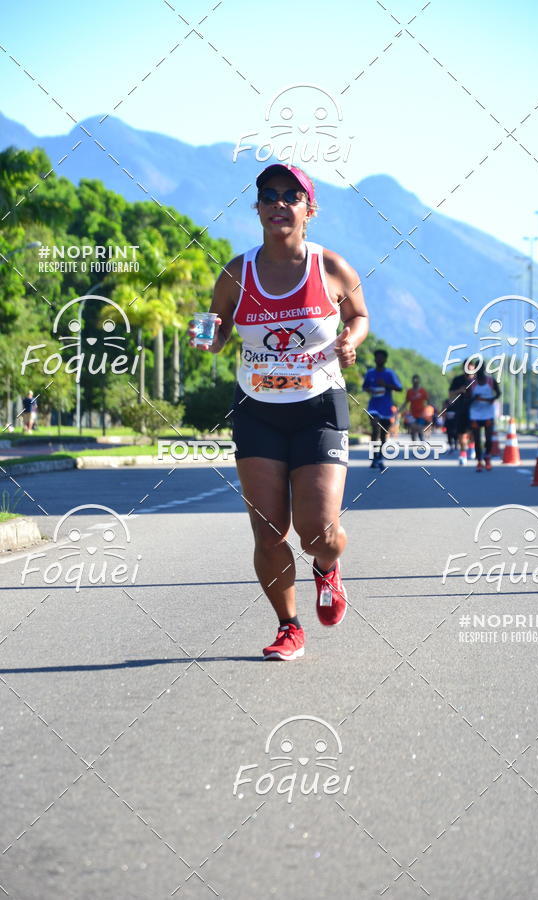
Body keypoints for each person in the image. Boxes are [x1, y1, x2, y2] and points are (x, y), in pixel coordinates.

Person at [189, 163, 369, 661]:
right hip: (257, 410)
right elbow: (219, 328)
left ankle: (327, 568)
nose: (278, 204)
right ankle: (289, 627)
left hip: (319, 409)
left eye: (291, 196)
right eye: (268, 195)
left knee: (319, 533)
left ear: (309, 209)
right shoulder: (235, 272)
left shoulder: (330, 267)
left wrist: (350, 340)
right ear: (258, 209)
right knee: (269, 532)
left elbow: (357, 314)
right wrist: (210, 338)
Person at [362, 349, 403, 469]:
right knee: (375, 428)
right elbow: (365, 387)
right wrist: (370, 389)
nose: (379, 359)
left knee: (384, 434)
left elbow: (399, 388)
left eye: (381, 357)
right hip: (373, 406)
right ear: (374, 359)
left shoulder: (389, 374)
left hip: (386, 408)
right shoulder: (370, 373)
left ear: (385, 360)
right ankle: (374, 456)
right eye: (377, 357)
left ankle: (380, 456)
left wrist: (385, 385)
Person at [469, 369, 501, 471]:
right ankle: (479, 461)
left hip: (488, 413)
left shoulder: (491, 381)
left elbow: (499, 393)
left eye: (481, 368)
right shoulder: (471, 383)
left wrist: (493, 398)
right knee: (477, 439)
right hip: (475, 414)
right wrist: (474, 398)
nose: (480, 371)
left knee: (489, 438)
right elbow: (466, 398)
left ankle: (487, 457)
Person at [449, 359, 477, 465]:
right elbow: (450, 394)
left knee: (474, 431)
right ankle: (463, 454)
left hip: (476, 410)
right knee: (462, 433)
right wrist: (459, 391)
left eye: (471, 367)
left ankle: (472, 446)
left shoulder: (479, 380)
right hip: (461, 409)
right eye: (467, 367)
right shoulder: (458, 380)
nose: (469, 370)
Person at [402, 375, 429, 442]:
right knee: (413, 430)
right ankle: (414, 444)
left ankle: (422, 441)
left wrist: (430, 410)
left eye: (417, 379)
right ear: (412, 381)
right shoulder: (409, 391)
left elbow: (428, 401)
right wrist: (399, 410)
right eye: (414, 379)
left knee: (420, 428)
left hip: (421, 414)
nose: (415, 381)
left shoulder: (423, 391)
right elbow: (406, 402)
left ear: (419, 381)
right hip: (412, 414)